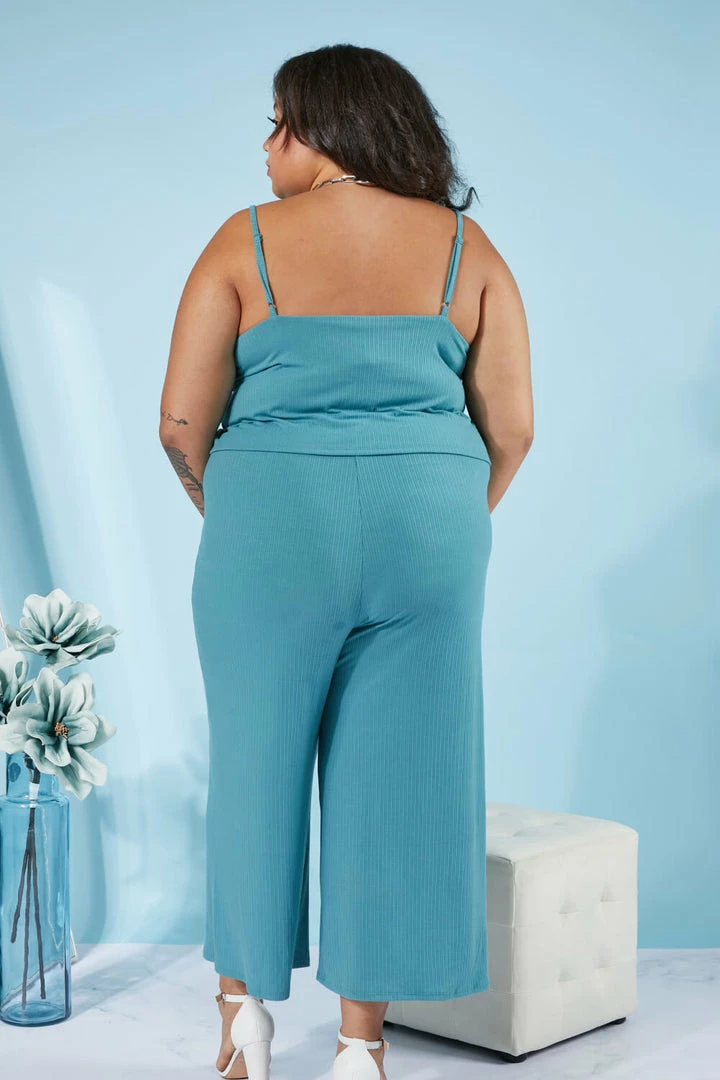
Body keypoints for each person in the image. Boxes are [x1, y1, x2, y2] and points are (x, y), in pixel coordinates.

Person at [160, 43, 532, 1080]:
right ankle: (362, 1045)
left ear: (322, 129)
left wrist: (235, 510)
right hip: (431, 524)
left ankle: (243, 1022)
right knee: (397, 778)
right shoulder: (467, 246)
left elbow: (182, 421)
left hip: (271, 520)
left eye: (277, 123)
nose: (266, 147)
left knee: (256, 758)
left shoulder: (245, 239)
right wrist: (450, 518)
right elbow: (514, 427)